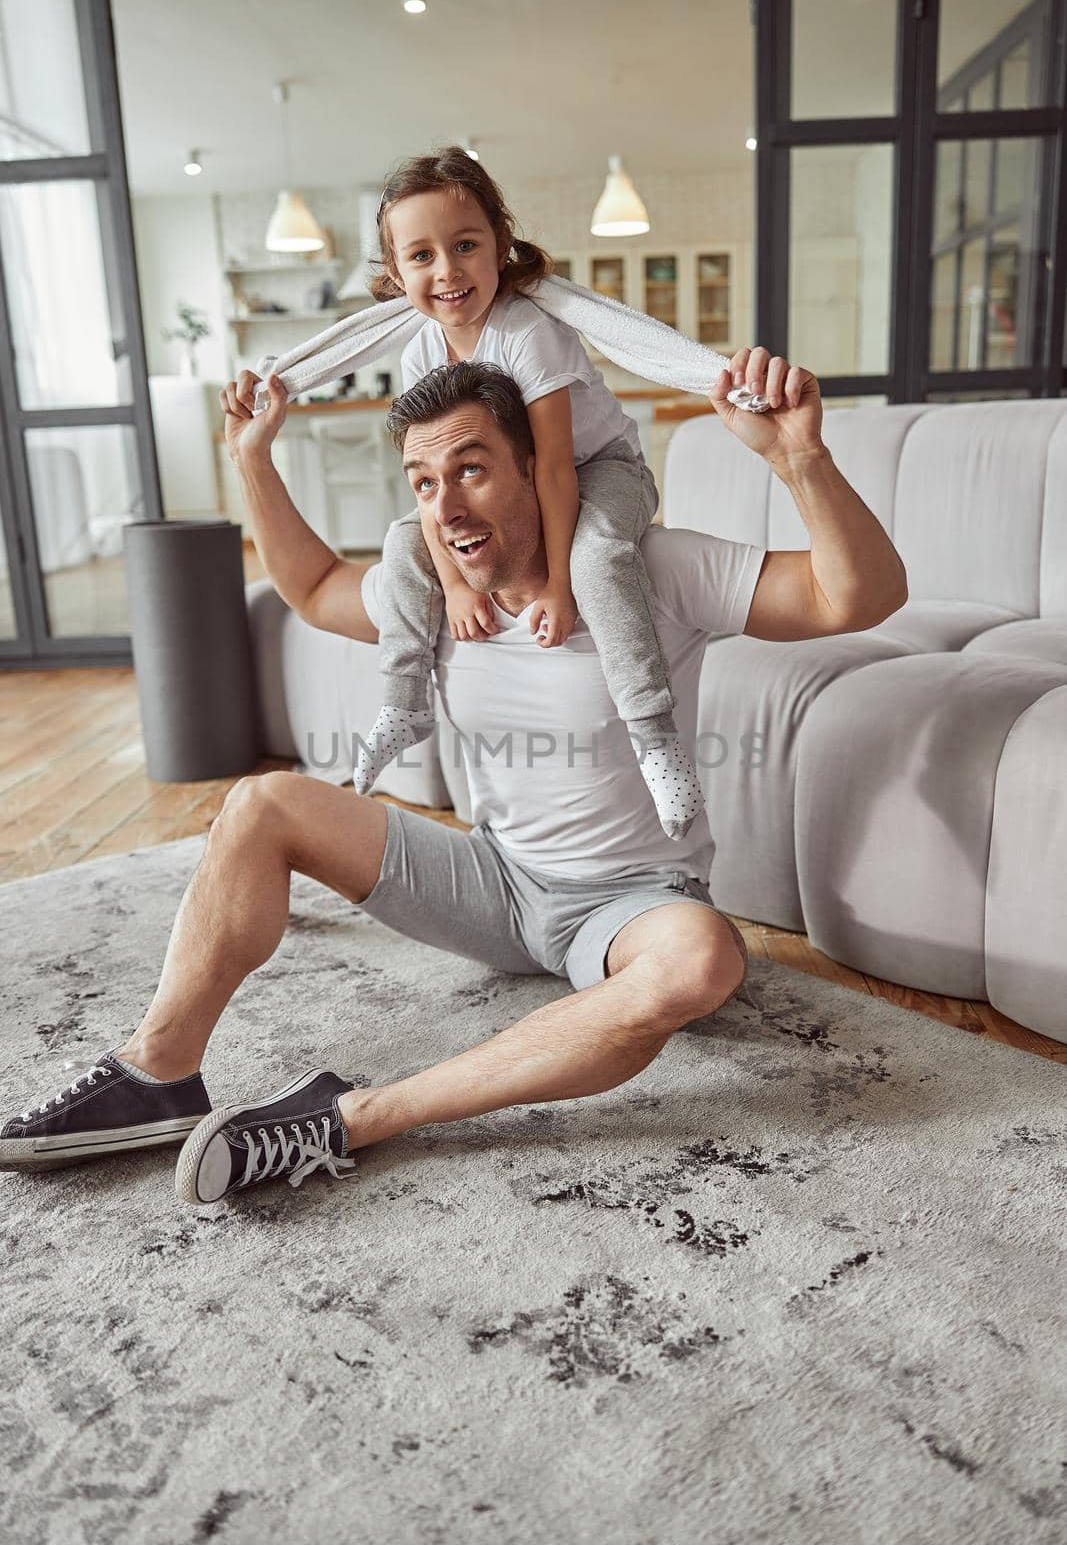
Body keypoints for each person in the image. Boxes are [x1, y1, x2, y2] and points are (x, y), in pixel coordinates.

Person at [0, 349, 907, 1207]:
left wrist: (801, 459)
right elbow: (312, 587)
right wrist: (252, 461)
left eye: (470, 470)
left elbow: (854, 596)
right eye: (424, 484)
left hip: (629, 905)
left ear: (540, 472)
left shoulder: (646, 570)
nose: (445, 506)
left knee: (702, 959)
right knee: (262, 802)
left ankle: (354, 1116)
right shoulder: (433, 593)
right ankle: (160, 1071)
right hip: (494, 882)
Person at [355, 146, 704, 841]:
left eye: (464, 246)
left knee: (599, 557)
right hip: (503, 488)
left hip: (601, 468)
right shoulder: (422, 351)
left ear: (500, 246)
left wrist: (555, 584)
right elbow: (430, 480)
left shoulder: (527, 331)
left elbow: (550, 466)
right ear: (396, 275)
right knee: (400, 540)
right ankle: (403, 702)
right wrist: (454, 586)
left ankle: (654, 735)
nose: (447, 272)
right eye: (421, 257)